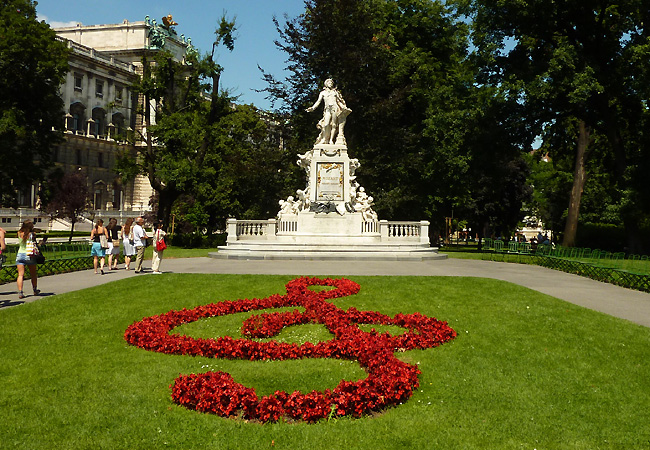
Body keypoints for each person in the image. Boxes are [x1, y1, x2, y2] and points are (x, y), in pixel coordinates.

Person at [305, 78, 352, 146]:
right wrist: (312, 108)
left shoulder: (335, 92)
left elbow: (339, 101)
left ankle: (331, 140)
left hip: (334, 108)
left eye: (331, 83)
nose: (330, 84)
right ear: (326, 84)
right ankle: (325, 139)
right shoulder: (323, 93)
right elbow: (318, 102)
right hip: (327, 109)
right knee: (326, 124)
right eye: (329, 83)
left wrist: (344, 108)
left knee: (333, 125)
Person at [15, 221, 40, 299]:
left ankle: (20, 292)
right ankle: (35, 289)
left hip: (20, 254)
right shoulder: (31, 234)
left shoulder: (19, 233)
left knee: (20, 274)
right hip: (29, 254)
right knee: (33, 274)